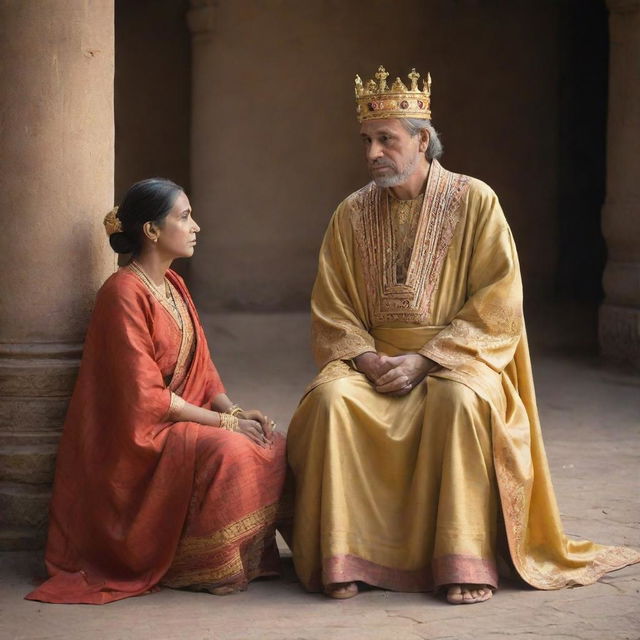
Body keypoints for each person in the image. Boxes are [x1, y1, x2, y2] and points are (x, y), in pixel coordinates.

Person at [286, 66, 640, 604]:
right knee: (332, 401)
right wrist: (365, 359)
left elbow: (500, 298)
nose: (373, 152)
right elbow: (332, 307)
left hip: (456, 361)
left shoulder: (477, 201)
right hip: (374, 362)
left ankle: (463, 560)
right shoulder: (350, 213)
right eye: (367, 140)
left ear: (423, 140)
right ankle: (347, 556)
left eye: (387, 139)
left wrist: (428, 359)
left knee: (456, 400)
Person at [26, 178, 286, 604]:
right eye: (184, 217)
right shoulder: (122, 293)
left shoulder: (174, 286)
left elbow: (202, 371)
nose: (196, 226)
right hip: (138, 438)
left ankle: (242, 559)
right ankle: (195, 564)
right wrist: (225, 425)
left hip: (178, 420)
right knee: (231, 450)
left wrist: (236, 412)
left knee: (271, 442)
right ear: (150, 231)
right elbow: (146, 397)